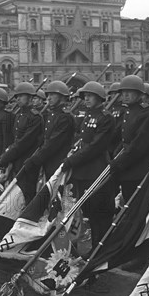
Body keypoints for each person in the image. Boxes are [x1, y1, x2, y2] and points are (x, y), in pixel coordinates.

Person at [61, 81, 115, 252]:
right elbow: (82, 141)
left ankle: (101, 247)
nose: (86, 99)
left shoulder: (105, 117)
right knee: (90, 212)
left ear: (99, 98)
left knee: (100, 212)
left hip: (96, 169)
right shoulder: (88, 116)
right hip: (83, 171)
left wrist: (72, 161)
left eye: (90, 96)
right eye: (85, 96)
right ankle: (93, 246)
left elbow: (95, 147)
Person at [109, 75, 149, 201]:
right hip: (127, 167)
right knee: (127, 202)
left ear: (139, 94)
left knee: (137, 206)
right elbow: (124, 140)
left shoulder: (147, 113)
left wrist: (119, 162)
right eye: (123, 92)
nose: (125, 95)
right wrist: (115, 156)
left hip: (139, 167)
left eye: (129, 92)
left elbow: (139, 144)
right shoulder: (128, 111)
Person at [0, 82, 43, 202]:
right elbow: (15, 138)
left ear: (30, 98)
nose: (17, 99)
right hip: (16, 158)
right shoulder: (18, 115)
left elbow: (25, 142)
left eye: (21, 96)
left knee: (26, 191)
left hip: (27, 160)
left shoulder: (35, 118)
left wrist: (7, 156)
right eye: (16, 97)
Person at [24, 81, 75, 180]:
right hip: (48, 161)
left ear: (62, 96)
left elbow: (54, 143)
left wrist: (35, 160)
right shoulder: (53, 114)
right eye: (48, 95)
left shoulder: (65, 117)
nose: (49, 98)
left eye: (52, 95)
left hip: (58, 162)